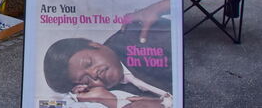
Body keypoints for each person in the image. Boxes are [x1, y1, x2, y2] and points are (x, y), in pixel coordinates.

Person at [43, 18, 173, 108]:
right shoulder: (114, 94)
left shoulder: (137, 34)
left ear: (94, 45)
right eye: (86, 80)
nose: (94, 74)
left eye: (89, 63)